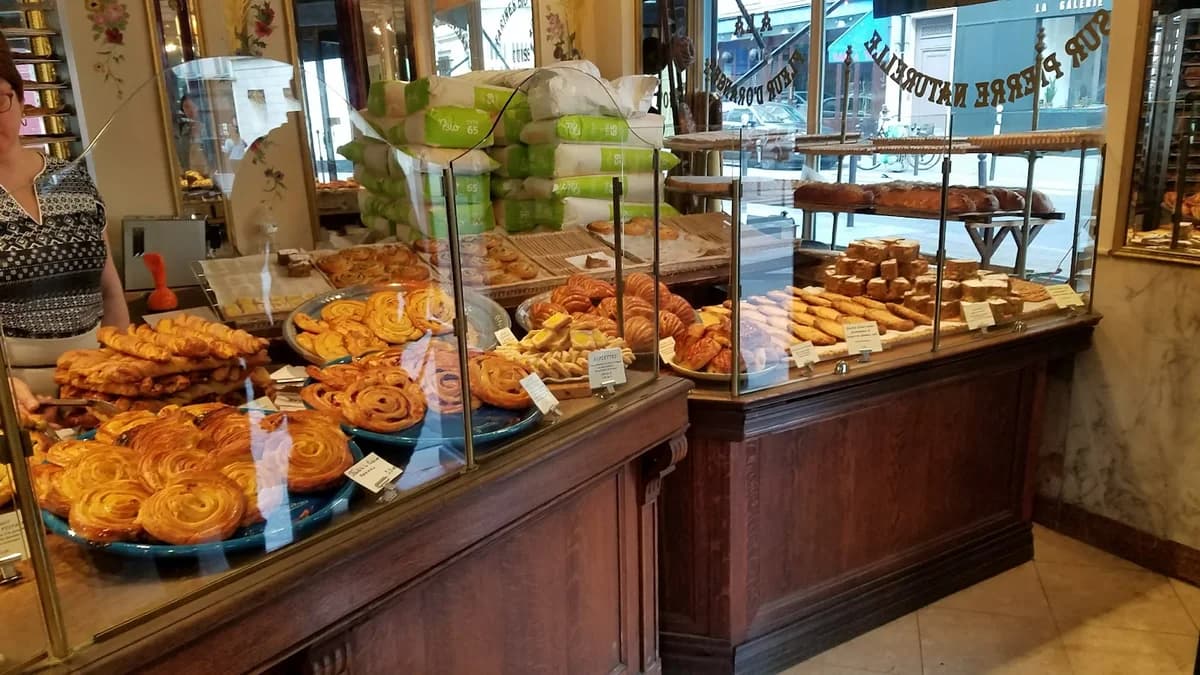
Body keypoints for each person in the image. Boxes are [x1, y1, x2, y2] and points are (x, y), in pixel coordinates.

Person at [0, 34, 128, 408]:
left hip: (96, 384)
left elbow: (110, 291)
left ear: (21, 101)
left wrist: (121, 369)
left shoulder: (74, 179)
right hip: (11, 396)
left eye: (0, 100)